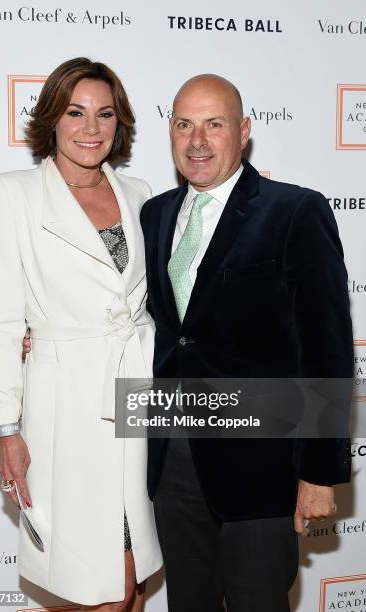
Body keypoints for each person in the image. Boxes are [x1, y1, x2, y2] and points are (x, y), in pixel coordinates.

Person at [140, 74, 353, 611]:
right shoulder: (155, 214)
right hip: (173, 457)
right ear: (170, 131)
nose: (198, 140)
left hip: (263, 466)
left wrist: (319, 473)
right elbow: (156, 327)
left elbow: (327, 348)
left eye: (215, 125)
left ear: (244, 131)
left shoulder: (295, 212)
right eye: (185, 124)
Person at [0, 57, 162, 611]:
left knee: (132, 579)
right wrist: (6, 427)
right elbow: (4, 320)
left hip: (138, 401)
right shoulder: (12, 193)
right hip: (66, 413)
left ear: (119, 122)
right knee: (87, 584)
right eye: (75, 112)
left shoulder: (140, 194)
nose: (90, 128)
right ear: (51, 120)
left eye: (104, 114)